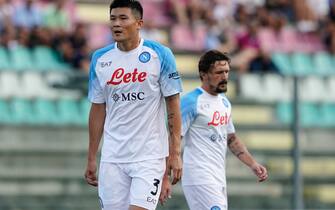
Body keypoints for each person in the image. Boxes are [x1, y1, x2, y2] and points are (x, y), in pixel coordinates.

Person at [84, 1, 183, 210]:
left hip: (149, 157)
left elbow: (173, 105)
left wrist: (175, 153)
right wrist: (92, 156)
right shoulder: (100, 59)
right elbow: (97, 109)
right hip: (113, 157)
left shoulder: (160, 55)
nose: (116, 24)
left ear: (139, 23)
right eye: (113, 19)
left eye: (123, 18)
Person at [160, 50, 268, 209]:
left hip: (218, 176)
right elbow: (172, 139)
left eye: (226, 72)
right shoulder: (191, 102)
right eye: (219, 72)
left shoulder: (224, 102)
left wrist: (252, 164)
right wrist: (164, 178)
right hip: (199, 176)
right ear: (203, 75)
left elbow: (231, 139)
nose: (224, 77)